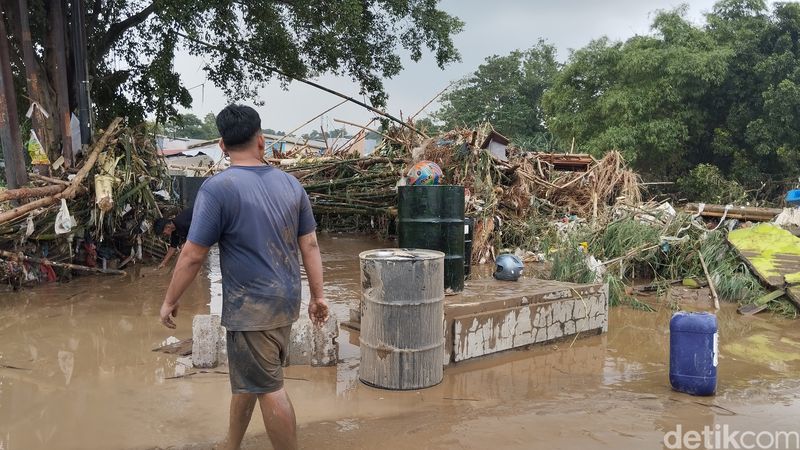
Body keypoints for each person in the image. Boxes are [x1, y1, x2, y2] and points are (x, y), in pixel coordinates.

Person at [159, 104, 328, 450]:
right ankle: (231, 444)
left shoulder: (218, 189)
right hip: (286, 299)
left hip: (252, 306)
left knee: (268, 386)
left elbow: (192, 255)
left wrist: (170, 300)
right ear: (261, 141)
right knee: (252, 377)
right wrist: (319, 296)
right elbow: (309, 244)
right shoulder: (291, 185)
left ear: (221, 146)